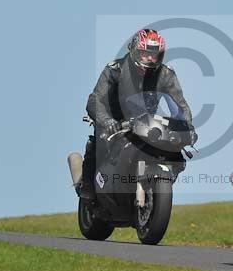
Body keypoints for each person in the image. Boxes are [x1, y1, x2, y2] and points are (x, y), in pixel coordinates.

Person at [76, 29, 196, 199]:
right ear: (134, 50)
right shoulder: (115, 69)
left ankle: (157, 186)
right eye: (145, 53)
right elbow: (94, 100)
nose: (150, 58)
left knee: (174, 149)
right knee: (100, 140)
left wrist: (187, 126)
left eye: (155, 55)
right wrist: (106, 120)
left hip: (146, 123)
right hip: (114, 121)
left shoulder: (166, 74)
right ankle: (87, 185)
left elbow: (181, 105)